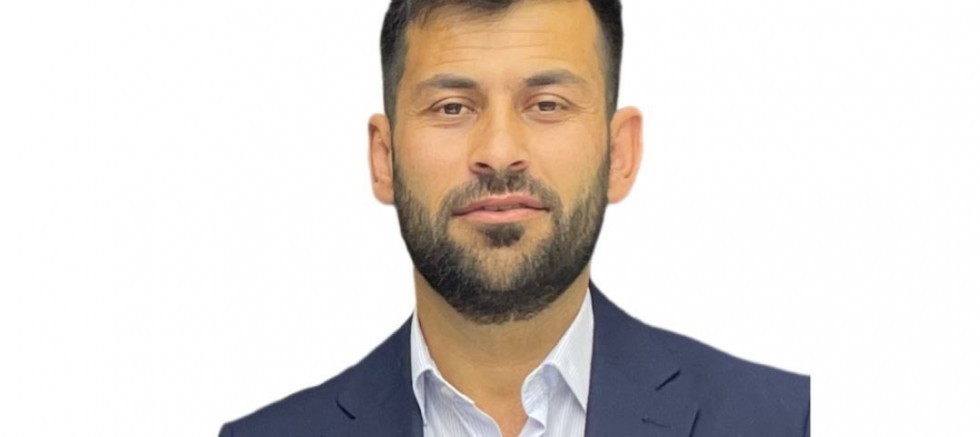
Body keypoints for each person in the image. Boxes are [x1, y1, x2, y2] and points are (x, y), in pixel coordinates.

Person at [219, 0, 810, 435]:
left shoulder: (791, 422)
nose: (499, 152)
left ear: (620, 154)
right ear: (384, 158)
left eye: (546, 105)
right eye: (452, 107)